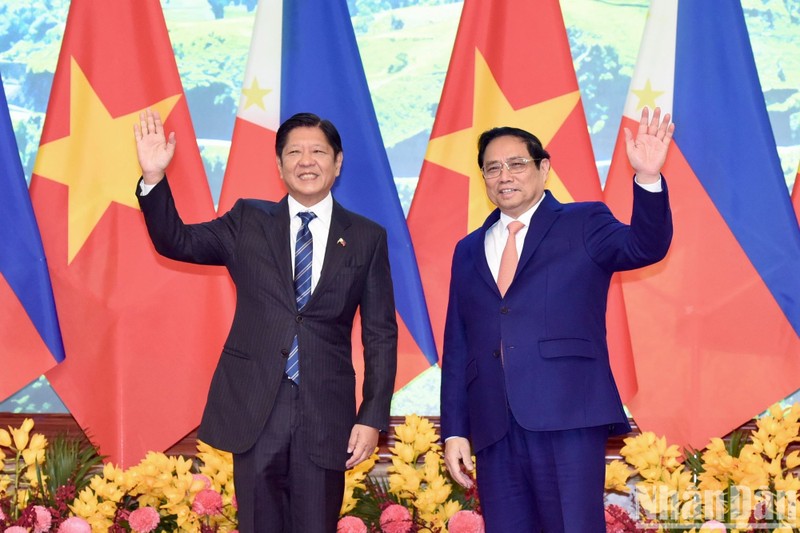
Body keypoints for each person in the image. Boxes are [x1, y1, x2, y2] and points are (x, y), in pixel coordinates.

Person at [133, 110, 398, 533]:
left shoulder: (367, 236)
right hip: (257, 407)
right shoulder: (248, 221)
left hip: (326, 411)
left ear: (338, 162)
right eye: (294, 152)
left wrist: (372, 416)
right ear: (278, 165)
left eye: (317, 152)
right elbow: (175, 240)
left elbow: (381, 334)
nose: (306, 161)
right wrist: (153, 178)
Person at [441, 107, 674, 532]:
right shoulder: (468, 249)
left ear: (543, 168)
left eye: (516, 164)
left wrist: (648, 179)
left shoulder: (584, 221)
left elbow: (646, 246)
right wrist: (455, 429)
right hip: (494, 426)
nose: (504, 175)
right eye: (493, 168)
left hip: (567, 414)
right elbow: (458, 344)